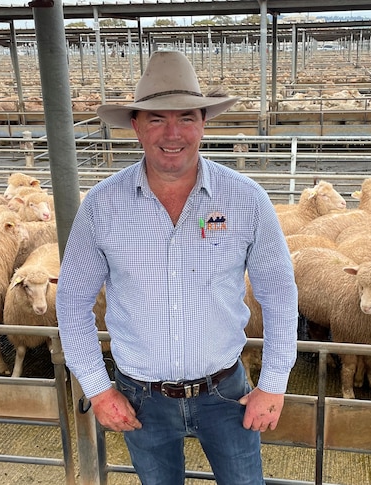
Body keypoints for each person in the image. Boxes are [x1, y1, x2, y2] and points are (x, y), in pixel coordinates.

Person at [56, 50, 298, 484]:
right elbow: (72, 301)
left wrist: (274, 382)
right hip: (139, 398)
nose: (173, 133)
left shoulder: (245, 199)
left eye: (186, 117)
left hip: (227, 393)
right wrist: (96, 385)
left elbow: (278, 294)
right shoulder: (101, 207)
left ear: (204, 122)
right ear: (135, 125)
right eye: (156, 119)